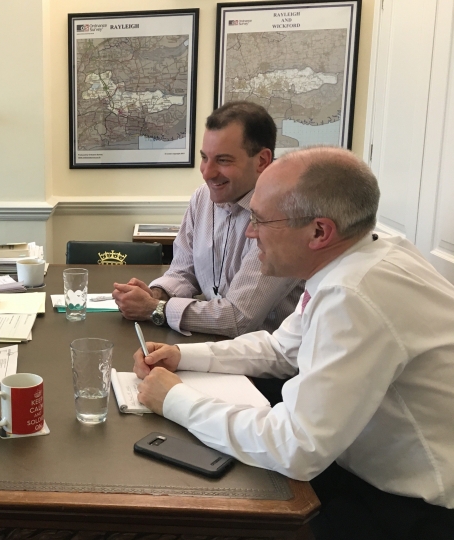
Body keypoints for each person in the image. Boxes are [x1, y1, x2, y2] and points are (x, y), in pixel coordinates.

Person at [134, 146, 454, 539]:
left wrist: (174, 400)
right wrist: (183, 355)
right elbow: (281, 349)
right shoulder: (365, 256)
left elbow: (296, 447)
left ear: (319, 231)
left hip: (412, 510)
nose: (250, 232)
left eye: (260, 219)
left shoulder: (353, 294)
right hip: (361, 468)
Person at [113, 102, 303, 338]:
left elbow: (238, 318)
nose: (207, 172)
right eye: (205, 158)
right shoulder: (203, 198)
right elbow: (183, 270)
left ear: (262, 160)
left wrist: (154, 309)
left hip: (265, 365)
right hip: (214, 346)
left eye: (223, 160)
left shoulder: (284, 216)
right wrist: (157, 294)